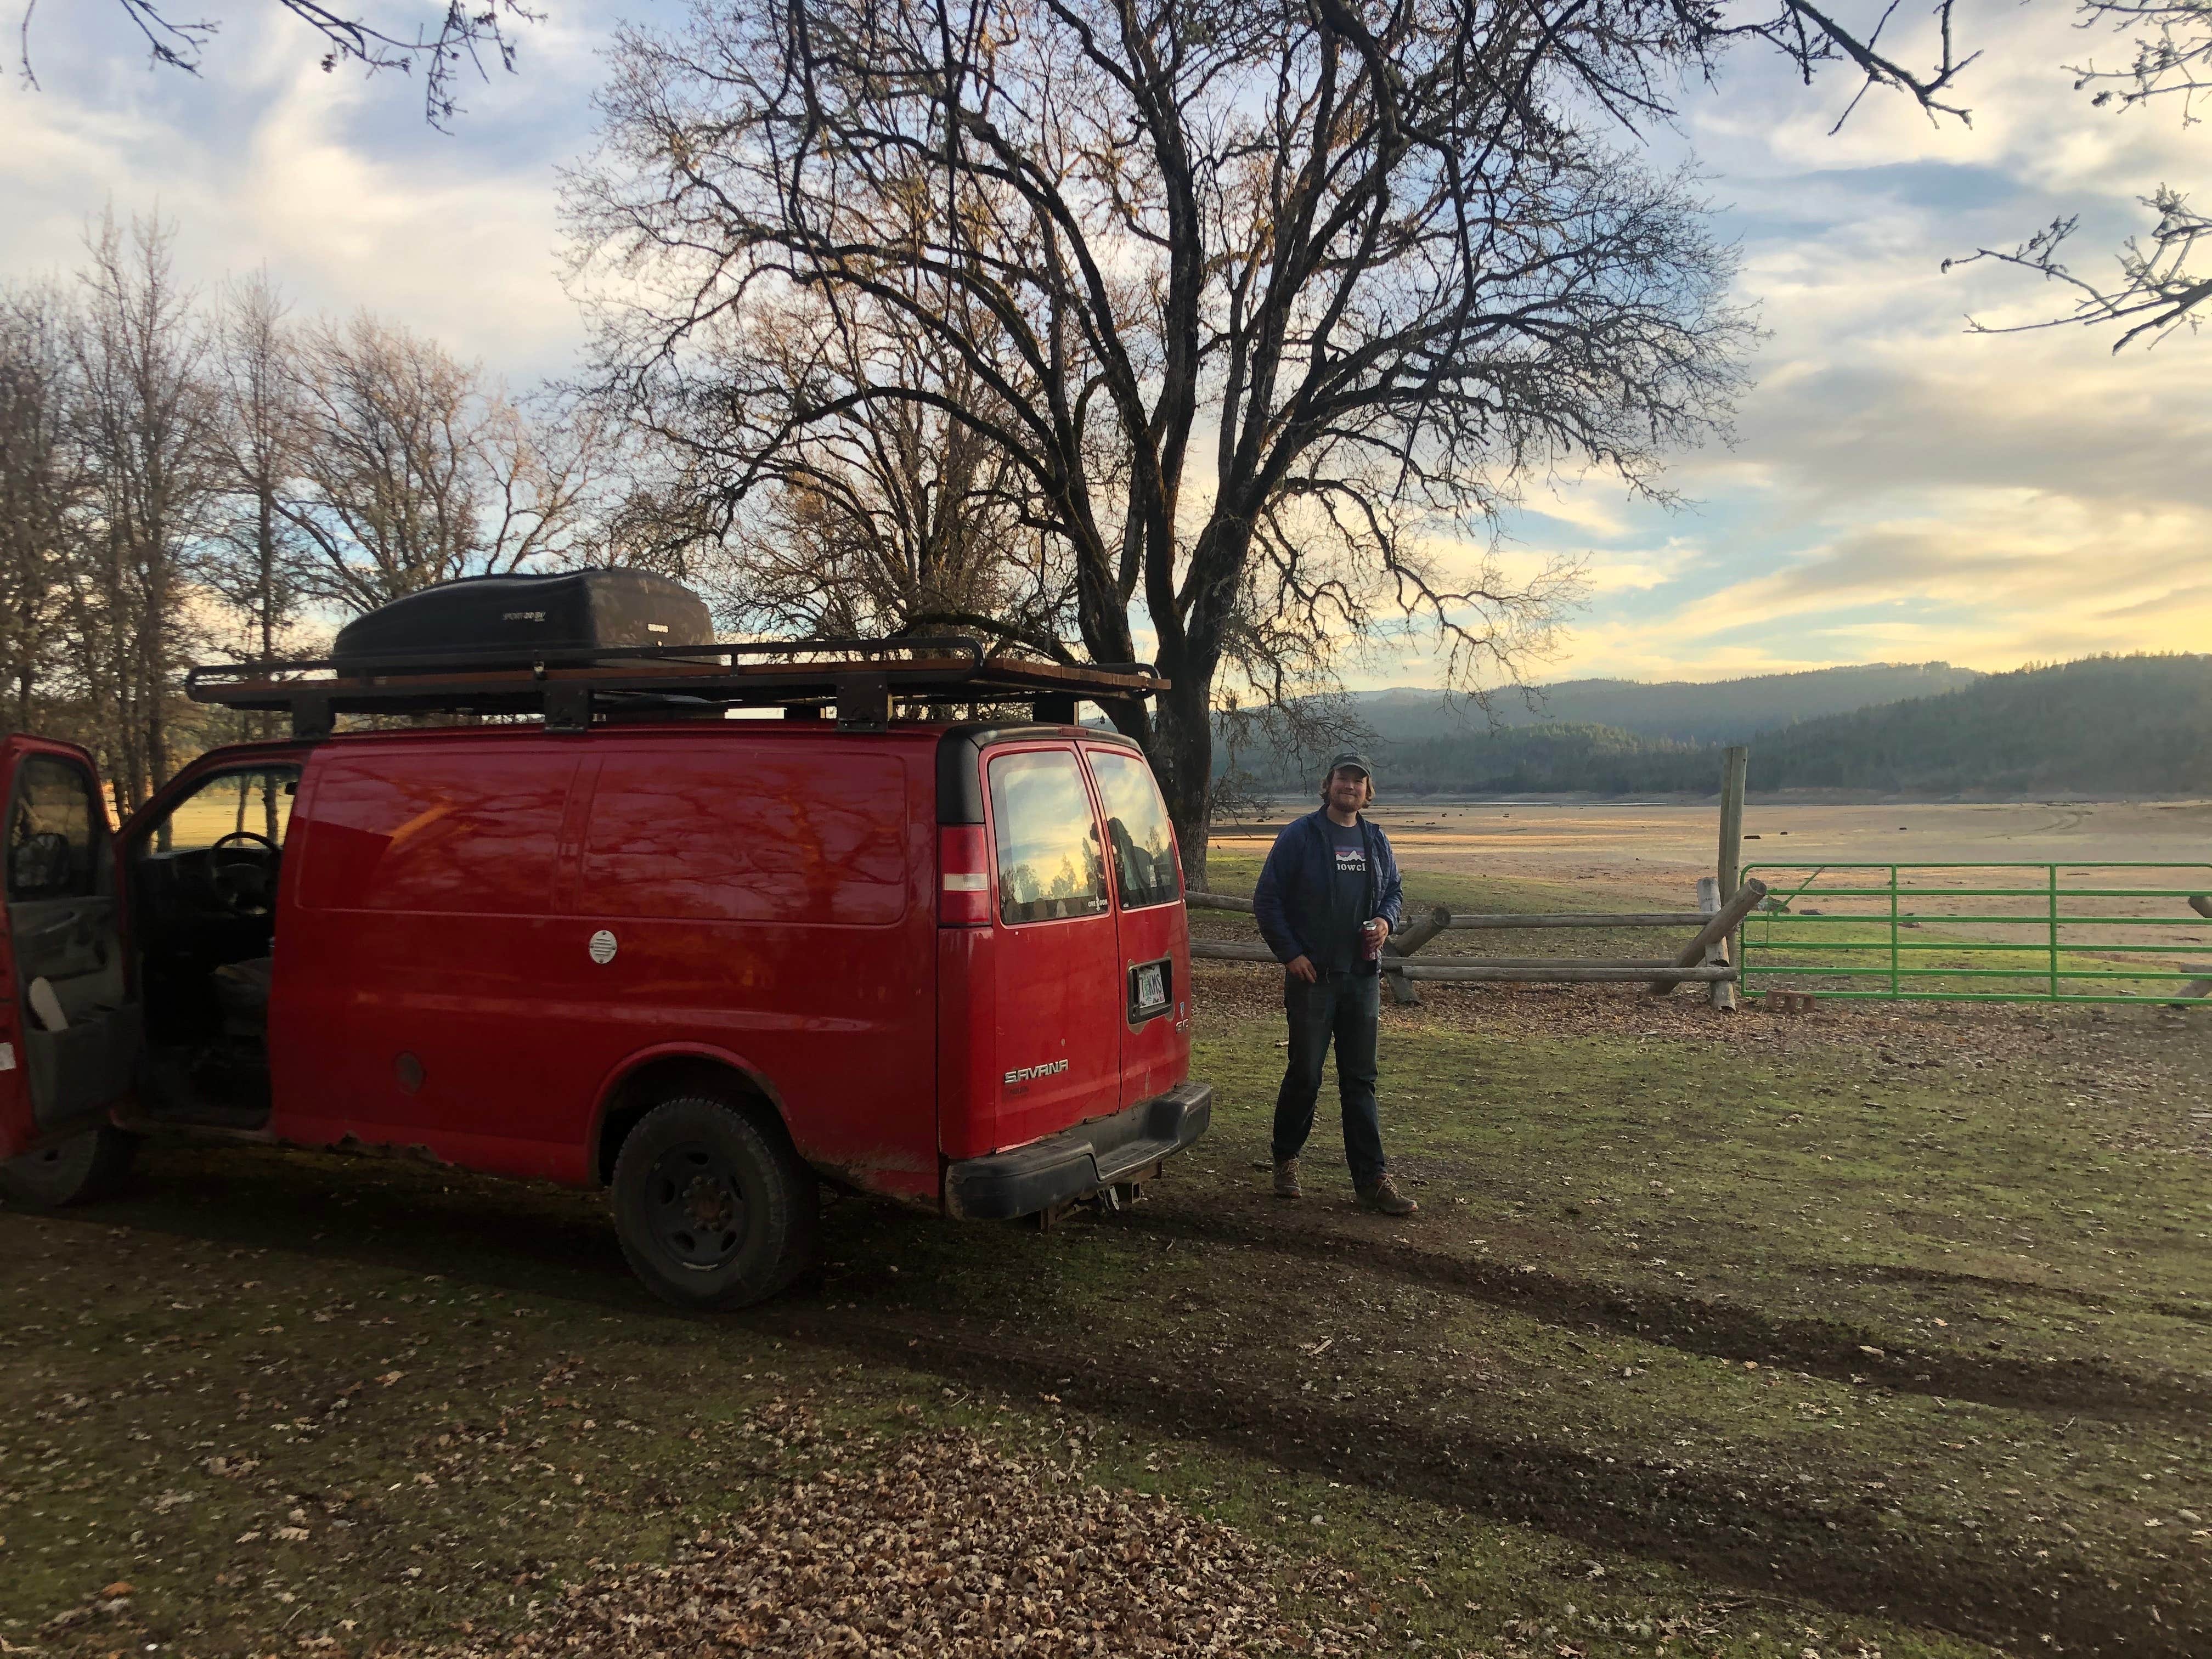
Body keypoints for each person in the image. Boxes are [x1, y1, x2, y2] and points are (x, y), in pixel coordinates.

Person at [1250, 752, 1417, 1216]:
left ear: (1368, 792)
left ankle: (1373, 1180)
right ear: (1328, 785)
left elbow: (1394, 892)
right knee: (1305, 1074)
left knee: (1360, 1080)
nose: (1350, 786)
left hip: (1362, 979)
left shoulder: (1375, 839)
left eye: (1359, 781)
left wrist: (1386, 921)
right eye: (1343, 778)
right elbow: (1267, 900)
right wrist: (1291, 955)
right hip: (1313, 979)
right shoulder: (1300, 837)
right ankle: (1286, 1159)